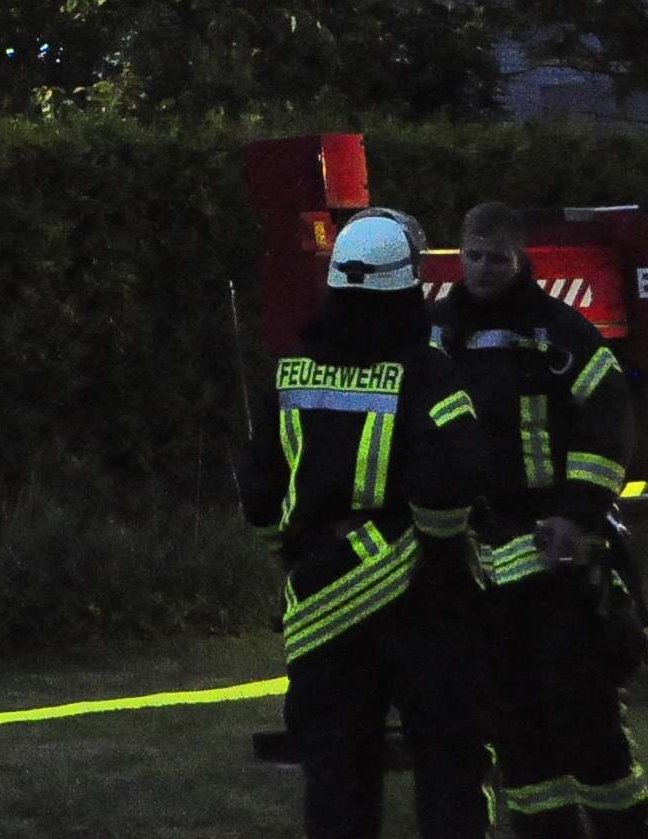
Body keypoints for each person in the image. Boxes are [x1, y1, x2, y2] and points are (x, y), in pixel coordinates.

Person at [240, 211, 492, 839]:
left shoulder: (291, 373)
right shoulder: (427, 373)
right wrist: (440, 554)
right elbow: (446, 485)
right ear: (406, 288)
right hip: (421, 598)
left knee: (337, 773)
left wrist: (296, 555)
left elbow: (261, 493)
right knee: (449, 761)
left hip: (322, 597)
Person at [433, 204, 648, 839]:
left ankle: (624, 830)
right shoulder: (434, 334)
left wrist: (577, 515)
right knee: (510, 720)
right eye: (471, 256)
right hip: (471, 555)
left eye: (495, 258)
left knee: (582, 711)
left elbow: (610, 423)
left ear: (520, 257)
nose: (480, 269)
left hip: (551, 552)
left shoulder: (559, 332)